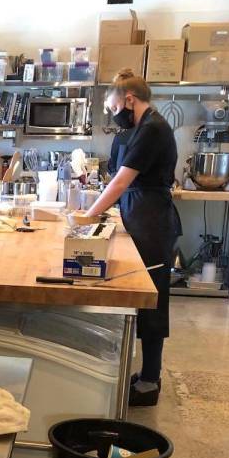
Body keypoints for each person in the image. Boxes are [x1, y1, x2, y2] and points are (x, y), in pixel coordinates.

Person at [85, 68, 182, 407]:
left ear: (130, 100)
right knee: (138, 298)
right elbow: (116, 172)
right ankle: (139, 373)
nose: (115, 116)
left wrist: (89, 214)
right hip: (139, 213)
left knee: (152, 301)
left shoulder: (153, 128)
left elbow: (121, 182)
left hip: (152, 220)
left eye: (114, 109)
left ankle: (150, 382)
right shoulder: (139, 127)